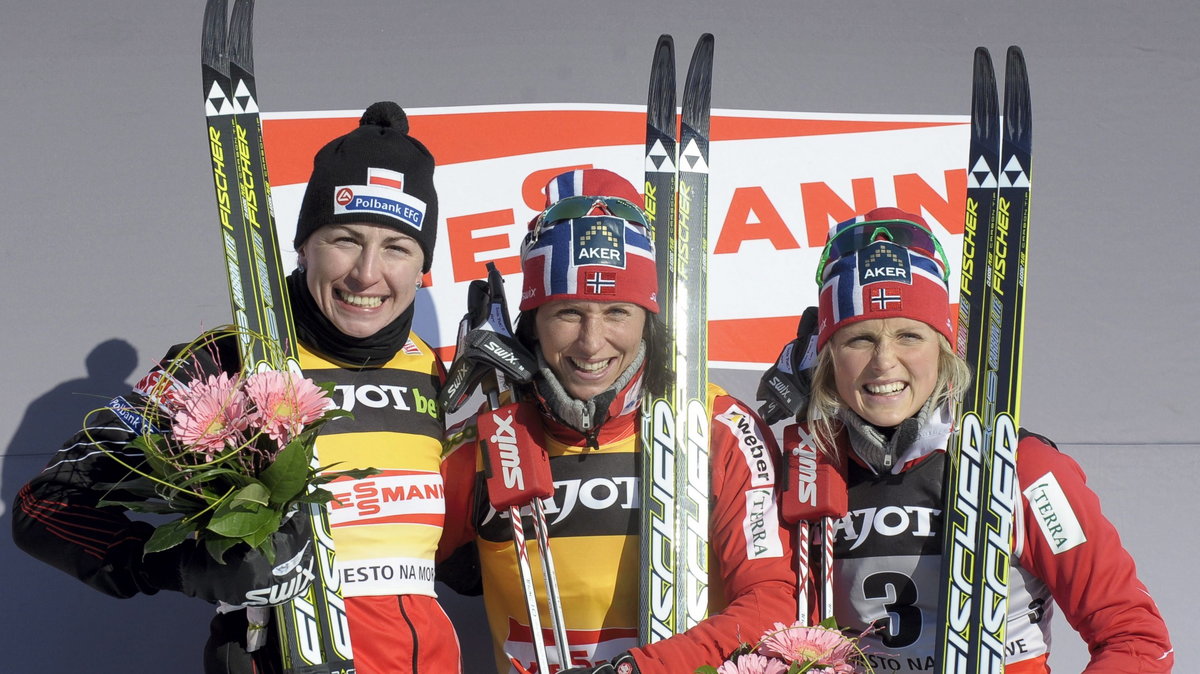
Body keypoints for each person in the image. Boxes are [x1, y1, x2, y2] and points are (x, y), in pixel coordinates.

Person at [12, 102, 460, 674]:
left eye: (396, 247)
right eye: (344, 239)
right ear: (303, 245)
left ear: (423, 264)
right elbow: (44, 505)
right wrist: (181, 567)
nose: (367, 273)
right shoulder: (222, 361)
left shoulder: (437, 374)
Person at [762, 207, 1173, 672]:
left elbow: (1134, 637)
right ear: (828, 355)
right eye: (859, 340)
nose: (884, 361)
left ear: (944, 347)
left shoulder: (1024, 469)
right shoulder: (809, 470)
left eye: (909, 335)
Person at [437, 168, 798, 674]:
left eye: (616, 312)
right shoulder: (489, 439)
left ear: (648, 318)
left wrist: (641, 669)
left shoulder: (718, 427)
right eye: (567, 312)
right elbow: (377, 561)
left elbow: (772, 605)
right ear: (532, 323)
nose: (591, 342)